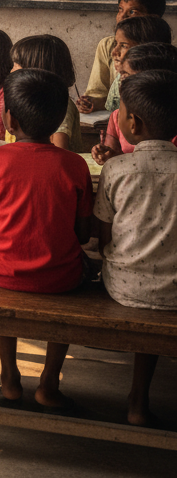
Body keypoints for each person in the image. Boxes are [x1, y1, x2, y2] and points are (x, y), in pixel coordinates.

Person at [0, 68, 94, 411]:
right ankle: (49, 382)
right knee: (76, 273)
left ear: (10, 119)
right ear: (57, 122)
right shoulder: (74, 166)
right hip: (61, 277)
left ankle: (9, 377)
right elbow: (83, 235)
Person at [94, 69, 177, 426]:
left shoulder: (116, 168)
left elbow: (102, 239)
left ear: (133, 123)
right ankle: (138, 399)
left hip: (122, 288)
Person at [76, 0, 165, 113]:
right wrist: (91, 102)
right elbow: (100, 94)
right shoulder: (108, 45)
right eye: (120, 10)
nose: (122, 17)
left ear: (153, 19)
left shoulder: (163, 55)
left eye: (132, 12)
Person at [91, 43, 177, 162]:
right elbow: (112, 153)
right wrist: (107, 155)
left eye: (127, 76)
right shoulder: (119, 117)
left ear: (154, 79)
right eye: (121, 75)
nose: (120, 83)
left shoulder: (171, 120)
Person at [5, 35, 81, 150]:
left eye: (16, 66)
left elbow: (59, 153)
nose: (11, 71)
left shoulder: (58, 104)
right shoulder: (26, 101)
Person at [101, 15, 172, 112]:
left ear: (146, 51)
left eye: (124, 46)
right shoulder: (121, 78)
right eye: (115, 44)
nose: (114, 52)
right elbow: (113, 114)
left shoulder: (165, 87)